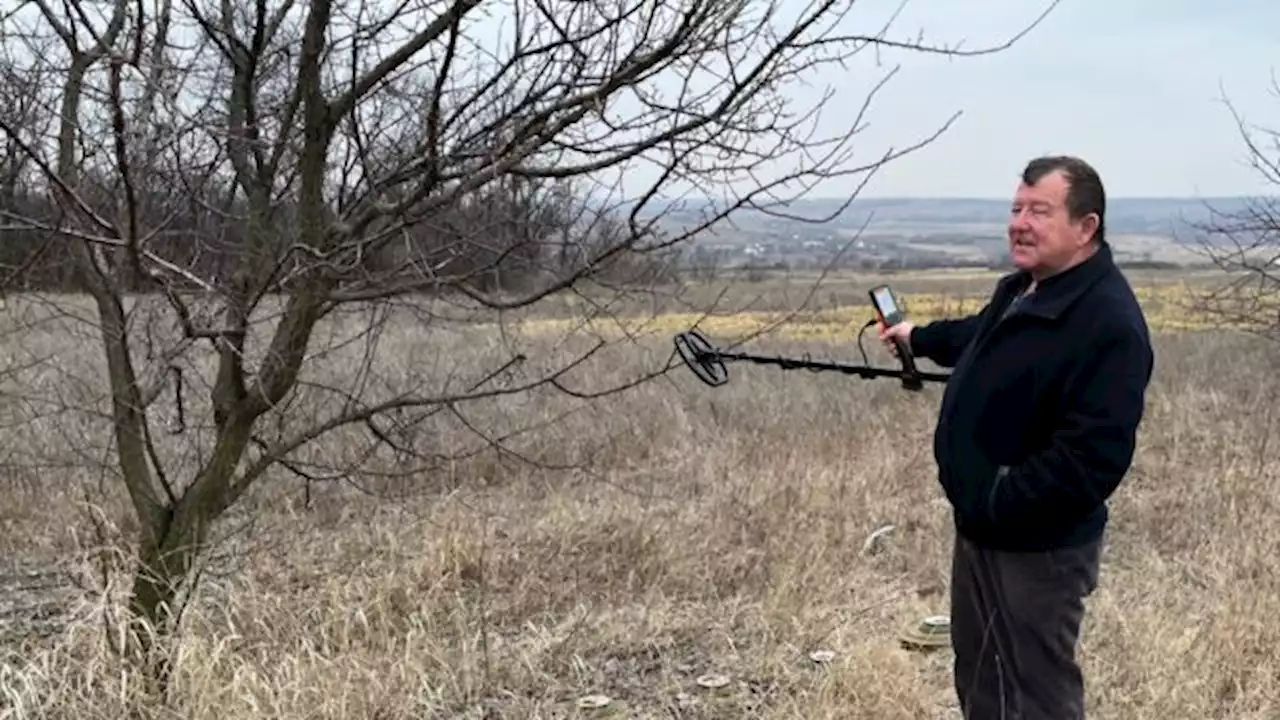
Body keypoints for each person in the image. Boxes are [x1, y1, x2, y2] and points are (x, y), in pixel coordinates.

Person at [879, 155, 1154, 719]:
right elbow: (984, 337)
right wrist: (920, 337)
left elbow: (1092, 459)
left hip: (1038, 548)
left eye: (1039, 211)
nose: (1019, 222)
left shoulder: (1107, 322)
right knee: (982, 679)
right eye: (1016, 208)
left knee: (1037, 695)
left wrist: (1001, 497)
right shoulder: (1028, 290)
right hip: (982, 528)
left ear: (1086, 227)